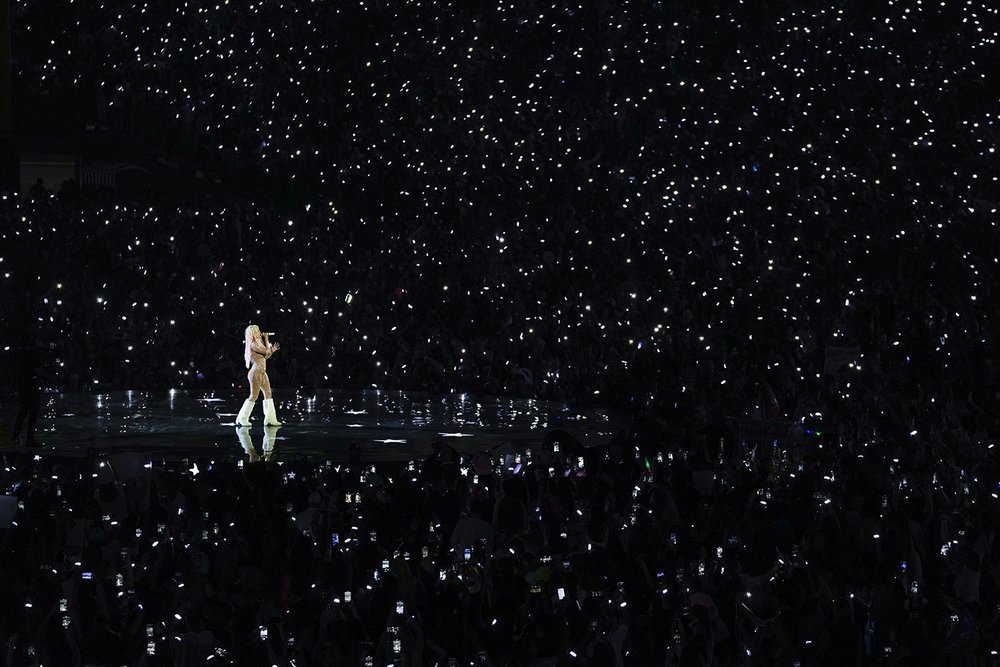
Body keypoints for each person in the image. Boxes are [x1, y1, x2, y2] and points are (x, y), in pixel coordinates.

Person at [236, 324, 281, 426]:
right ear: (252, 333)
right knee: (254, 396)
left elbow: (265, 356)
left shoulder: (258, 344)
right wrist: (266, 338)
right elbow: (266, 351)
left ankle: (270, 419)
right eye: (257, 331)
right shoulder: (253, 344)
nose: (259, 332)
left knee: (268, 394)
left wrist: (272, 351)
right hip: (255, 372)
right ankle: (242, 418)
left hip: (262, 372)